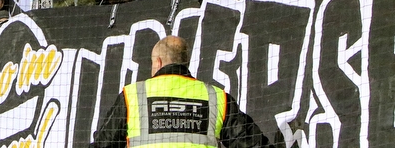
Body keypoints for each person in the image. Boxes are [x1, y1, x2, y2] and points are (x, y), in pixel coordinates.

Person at [91, 36, 270, 148]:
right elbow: (252, 143)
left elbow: (104, 144)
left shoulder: (132, 96)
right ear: (185, 62)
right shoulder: (216, 97)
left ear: (158, 62)